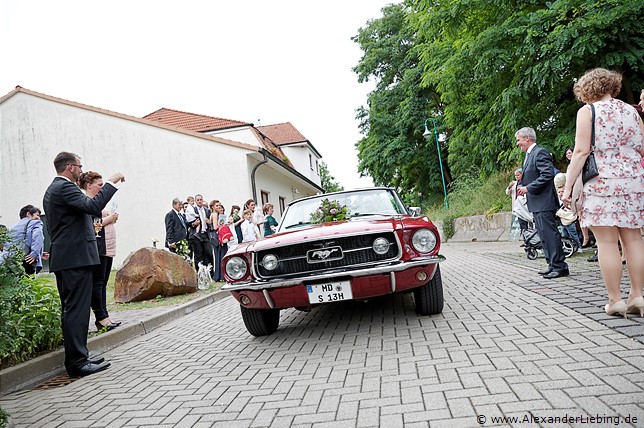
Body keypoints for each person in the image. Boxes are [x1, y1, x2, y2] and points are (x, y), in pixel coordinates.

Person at [562, 68, 644, 318]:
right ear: (613, 86)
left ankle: (615, 300)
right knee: (633, 240)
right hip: (632, 182)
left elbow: (580, 151)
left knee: (607, 242)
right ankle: (638, 295)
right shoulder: (632, 111)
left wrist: (568, 187)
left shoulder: (588, 111)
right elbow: (641, 149)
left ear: (587, 90)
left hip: (601, 184)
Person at [43, 151, 124, 377]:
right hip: (73, 259)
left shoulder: (56, 189)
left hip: (70, 258)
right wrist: (110, 182)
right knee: (76, 311)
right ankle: (77, 362)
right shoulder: (64, 187)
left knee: (74, 310)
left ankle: (80, 356)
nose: (81, 169)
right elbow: (92, 206)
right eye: (79, 166)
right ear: (70, 167)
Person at [516, 127, 569, 278]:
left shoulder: (540, 152)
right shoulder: (529, 155)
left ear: (527, 138)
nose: (517, 143)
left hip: (544, 201)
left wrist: (528, 188)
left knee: (550, 234)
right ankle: (551, 264)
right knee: (543, 236)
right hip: (536, 202)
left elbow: (547, 175)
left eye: (519, 139)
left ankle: (560, 266)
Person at [78, 171, 121, 331]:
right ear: (89, 185)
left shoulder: (97, 204)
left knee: (102, 283)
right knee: (97, 283)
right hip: (97, 248)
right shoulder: (85, 202)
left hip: (106, 248)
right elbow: (91, 223)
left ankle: (105, 315)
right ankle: (101, 317)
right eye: (100, 185)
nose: (102, 188)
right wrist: (107, 220)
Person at [189, 194, 212, 269]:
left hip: (205, 234)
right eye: (197, 200)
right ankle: (199, 273)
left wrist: (209, 223)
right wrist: (193, 224)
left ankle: (210, 272)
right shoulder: (193, 210)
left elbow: (210, 223)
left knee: (209, 253)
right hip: (197, 235)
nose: (199, 201)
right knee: (198, 255)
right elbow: (188, 222)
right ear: (195, 201)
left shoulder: (207, 210)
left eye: (200, 199)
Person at [505, 168, 532, 233]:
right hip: (518, 206)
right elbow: (507, 192)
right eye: (515, 175)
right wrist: (509, 187)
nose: (517, 177)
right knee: (522, 223)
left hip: (525, 204)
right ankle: (525, 237)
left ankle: (532, 237)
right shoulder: (514, 184)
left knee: (530, 222)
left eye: (518, 175)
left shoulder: (526, 182)